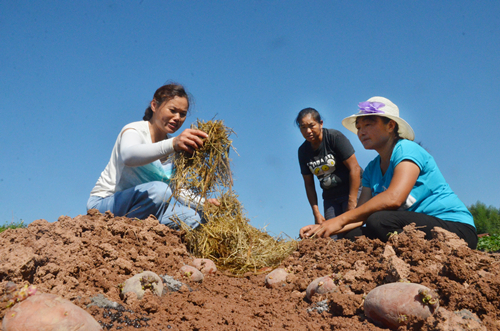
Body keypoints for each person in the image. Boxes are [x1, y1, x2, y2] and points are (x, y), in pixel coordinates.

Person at [299, 97, 477, 249]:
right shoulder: (371, 169)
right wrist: (322, 228)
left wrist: (339, 219)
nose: (362, 132)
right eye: (359, 127)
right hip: (411, 227)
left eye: (368, 124)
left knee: (379, 220)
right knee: (353, 234)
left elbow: (394, 198)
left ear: (391, 126)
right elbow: (360, 215)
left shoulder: (407, 150)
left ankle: (419, 257)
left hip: (453, 229)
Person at [87, 83, 219, 229]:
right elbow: (128, 156)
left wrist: (204, 203)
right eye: (172, 110)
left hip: (147, 207)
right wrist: (173, 143)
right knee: (161, 191)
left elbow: (177, 189)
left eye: (182, 114)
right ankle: (125, 235)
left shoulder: (174, 149)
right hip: (107, 205)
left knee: (196, 218)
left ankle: (145, 236)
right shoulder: (134, 130)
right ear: (154, 105)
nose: (177, 118)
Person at [296, 108, 362, 238]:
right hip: (330, 197)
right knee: (329, 236)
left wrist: (352, 201)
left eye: (311, 126)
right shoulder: (303, 151)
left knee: (352, 233)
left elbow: (355, 168)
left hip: (351, 190)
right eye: (303, 127)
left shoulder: (334, 138)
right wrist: (316, 213)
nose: (308, 131)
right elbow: (309, 184)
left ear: (320, 123)